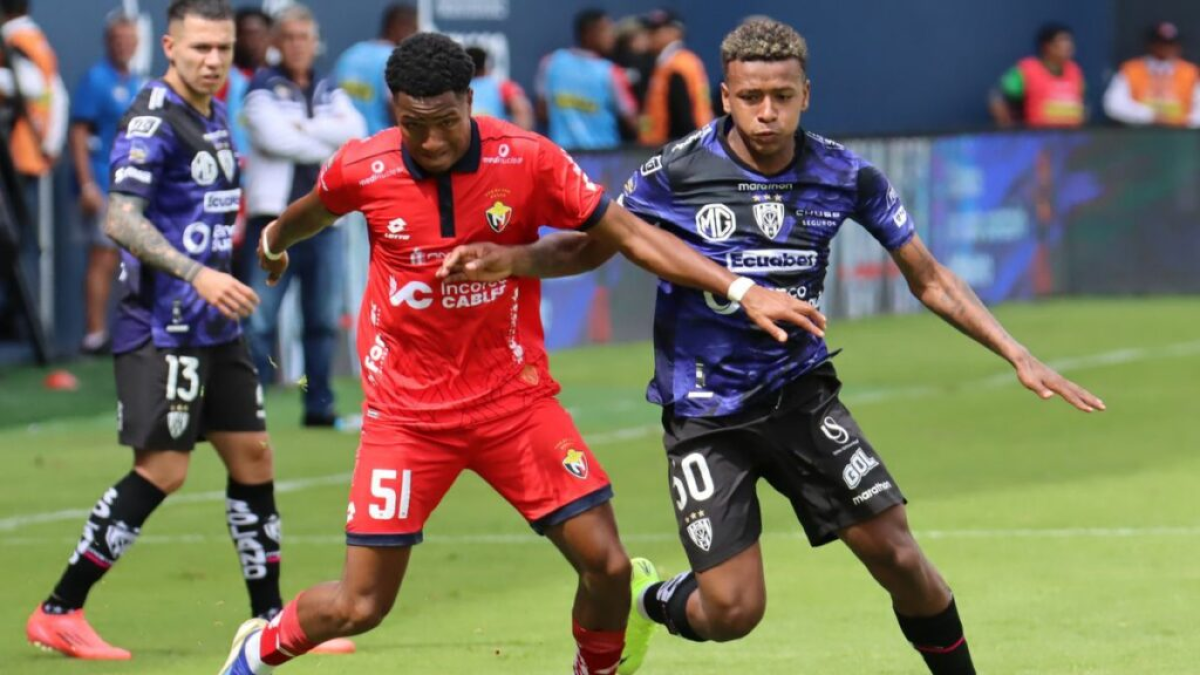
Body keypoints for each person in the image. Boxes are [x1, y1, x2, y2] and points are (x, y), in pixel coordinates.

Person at [438, 19, 1107, 675]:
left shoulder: (846, 175)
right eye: (751, 98)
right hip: (705, 414)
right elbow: (590, 244)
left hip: (800, 397)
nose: (766, 113)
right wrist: (513, 259)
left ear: (805, 95)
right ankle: (648, 599)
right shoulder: (676, 172)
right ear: (725, 97)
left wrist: (1016, 351)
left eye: (781, 97)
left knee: (903, 560)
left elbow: (928, 278)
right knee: (732, 612)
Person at [215, 32, 823, 675]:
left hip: (514, 400)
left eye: (446, 122)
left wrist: (739, 288)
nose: (431, 142)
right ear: (394, 111)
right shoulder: (364, 165)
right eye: (412, 125)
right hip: (407, 414)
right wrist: (276, 238)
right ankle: (258, 648)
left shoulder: (527, 158)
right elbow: (316, 208)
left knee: (609, 568)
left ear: (470, 101)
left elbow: (627, 236)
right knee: (360, 604)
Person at [23, 0, 354, 660]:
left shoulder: (216, 111)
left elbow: (206, 212)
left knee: (255, 455)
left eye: (224, 49)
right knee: (165, 469)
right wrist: (194, 273)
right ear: (169, 45)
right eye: (200, 48)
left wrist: (255, 252)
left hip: (215, 324)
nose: (212, 60)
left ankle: (270, 623)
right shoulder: (152, 119)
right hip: (160, 324)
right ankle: (60, 608)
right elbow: (120, 219)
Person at [241, 4, 365, 427]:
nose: (297, 45)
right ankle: (246, 410)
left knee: (323, 320)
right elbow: (273, 139)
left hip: (326, 222)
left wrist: (302, 132)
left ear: (315, 43)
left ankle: (319, 405)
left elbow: (355, 135)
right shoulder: (260, 86)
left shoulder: (330, 89)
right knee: (258, 321)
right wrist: (324, 139)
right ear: (277, 42)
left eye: (304, 37)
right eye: (289, 37)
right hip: (273, 223)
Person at [70, 11, 144, 355]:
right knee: (102, 257)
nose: (123, 46)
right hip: (103, 181)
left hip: (134, 185)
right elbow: (79, 132)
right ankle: (94, 335)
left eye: (129, 40)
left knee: (129, 260)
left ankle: (125, 330)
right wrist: (86, 184)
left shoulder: (138, 81)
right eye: (117, 39)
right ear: (107, 42)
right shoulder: (96, 79)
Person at [0, 0, 67, 311]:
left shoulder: (17, 41)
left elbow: (31, 85)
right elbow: (56, 93)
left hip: (14, 152)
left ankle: (12, 312)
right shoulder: (36, 40)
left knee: (10, 239)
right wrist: (51, 144)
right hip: (27, 152)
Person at [536, 8, 638, 150]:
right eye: (605, 30)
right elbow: (633, 121)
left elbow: (543, 112)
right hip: (605, 163)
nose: (611, 37)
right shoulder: (611, 72)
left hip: (564, 159)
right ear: (588, 34)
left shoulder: (551, 63)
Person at [334, 2, 416, 136]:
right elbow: (398, 110)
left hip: (347, 147)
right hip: (379, 147)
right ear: (401, 28)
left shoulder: (351, 54)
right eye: (414, 30)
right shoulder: (394, 59)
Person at [1103, 21, 1200, 128]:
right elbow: (1114, 105)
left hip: (1182, 135)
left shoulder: (1190, 72)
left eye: (1171, 44)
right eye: (1161, 43)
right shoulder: (1132, 70)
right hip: (1140, 134)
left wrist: (1181, 121)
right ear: (1151, 45)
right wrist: (1150, 116)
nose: (1167, 48)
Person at [639, 8, 713, 146]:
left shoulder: (676, 66)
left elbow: (683, 116)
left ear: (675, 32)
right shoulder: (676, 62)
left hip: (676, 150)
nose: (650, 35)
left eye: (656, 30)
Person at [990, 23, 1085, 128]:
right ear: (1047, 46)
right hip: (1040, 139)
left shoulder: (1075, 71)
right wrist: (1009, 129)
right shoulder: (1027, 70)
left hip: (1075, 139)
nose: (1069, 46)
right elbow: (997, 97)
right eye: (1062, 41)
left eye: (1070, 41)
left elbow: (1082, 103)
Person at [466, 44, 533, 130]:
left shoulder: (457, 87)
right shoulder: (501, 86)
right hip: (495, 140)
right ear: (485, 66)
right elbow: (522, 110)